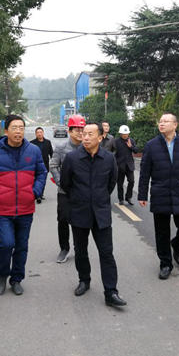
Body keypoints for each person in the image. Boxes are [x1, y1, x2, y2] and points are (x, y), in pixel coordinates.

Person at [0, 115, 47, 296]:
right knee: (7, 243)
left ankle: (16, 279)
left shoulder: (33, 151)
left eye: (21, 128)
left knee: (22, 246)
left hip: (26, 208)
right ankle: (2, 275)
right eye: (14, 128)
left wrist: (35, 192)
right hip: (3, 208)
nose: (18, 131)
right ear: (6, 131)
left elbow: (41, 173)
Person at [60, 122, 126, 307]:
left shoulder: (108, 158)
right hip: (79, 212)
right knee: (81, 251)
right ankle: (84, 280)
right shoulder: (72, 158)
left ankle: (111, 292)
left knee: (106, 253)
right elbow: (66, 184)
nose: (86, 137)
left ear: (100, 137)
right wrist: (79, 198)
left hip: (101, 213)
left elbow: (111, 183)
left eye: (90, 134)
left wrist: (99, 198)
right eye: (84, 134)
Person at [137, 112, 179, 280]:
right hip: (160, 193)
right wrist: (142, 194)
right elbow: (144, 173)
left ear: (175, 125)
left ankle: (177, 245)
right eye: (160, 121)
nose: (162, 123)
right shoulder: (151, 145)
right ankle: (165, 264)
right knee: (161, 231)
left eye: (166, 121)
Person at [49, 114, 86, 263]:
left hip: (82, 192)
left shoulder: (88, 147)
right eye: (76, 129)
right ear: (69, 131)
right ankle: (64, 248)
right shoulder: (61, 148)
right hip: (64, 192)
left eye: (82, 129)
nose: (80, 132)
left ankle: (79, 248)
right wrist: (61, 183)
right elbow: (53, 166)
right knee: (63, 219)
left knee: (81, 222)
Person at [112, 125, 139, 206]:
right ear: (120, 133)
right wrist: (116, 163)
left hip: (129, 165)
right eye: (124, 134)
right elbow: (114, 153)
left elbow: (136, 151)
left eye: (127, 134)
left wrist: (131, 146)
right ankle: (121, 199)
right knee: (120, 183)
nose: (125, 135)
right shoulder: (116, 141)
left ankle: (128, 197)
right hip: (120, 165)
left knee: (132, 181)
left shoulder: (131, 141)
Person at [30, 127, 54, 204]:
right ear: (35, 134)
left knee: (43, 180)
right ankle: (37, 194)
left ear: (43, 133)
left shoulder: (48, 142)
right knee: (35, 179)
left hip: (45, 164)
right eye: (38, 132)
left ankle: (40, 193)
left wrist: (54, 163)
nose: (39, 134)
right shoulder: (32, 143)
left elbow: (51, 153)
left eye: (41, 132)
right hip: (35, 165)